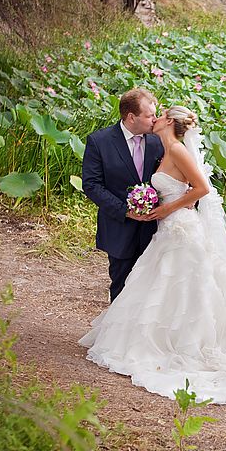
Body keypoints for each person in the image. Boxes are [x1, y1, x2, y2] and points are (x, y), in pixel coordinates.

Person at [78, 106, 226, 405]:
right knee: (163, 283)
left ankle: (186, 347)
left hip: (181, 227)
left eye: (159, 114)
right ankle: (157, 340)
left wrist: (165, 209)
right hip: (168, 228)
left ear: (169, 121)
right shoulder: (166, 148)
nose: (154, 118)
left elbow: (202, 189)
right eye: (151, 113)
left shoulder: (178, 150)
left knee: (186, 284)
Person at [82, 88, 164, 302]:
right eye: (149, 116)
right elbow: (91, 185)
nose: (155, 120)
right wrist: (126, 211)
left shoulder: (158, 141)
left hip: (155, 230)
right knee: (121, 286)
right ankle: (116, 334)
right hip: (119, 228)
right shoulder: (99, 142)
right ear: (131, 117)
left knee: (153, 291)